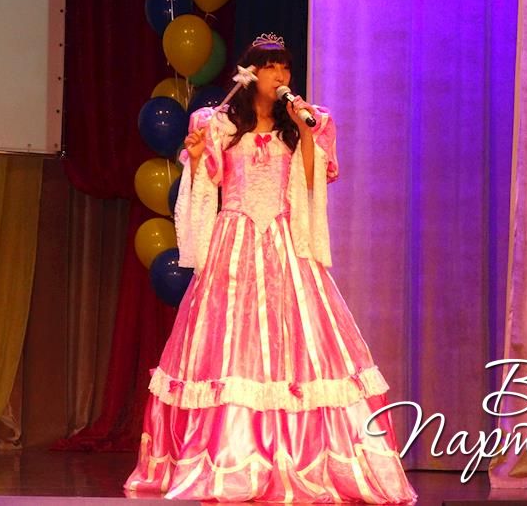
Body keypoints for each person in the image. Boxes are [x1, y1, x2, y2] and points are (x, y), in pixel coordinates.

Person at [124, 34, 417, 504]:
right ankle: (230, 454)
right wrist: (196, 158)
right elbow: (209, 180)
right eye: (270, 67)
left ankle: (300, 455)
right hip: (235, 240)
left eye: (285, 67)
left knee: (299, 343)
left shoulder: (302, 123)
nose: (280, 76)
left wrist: (305, 131)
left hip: (284, 240)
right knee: (230, 346)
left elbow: (312, 179)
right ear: (250, 73)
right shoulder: (220, 123)